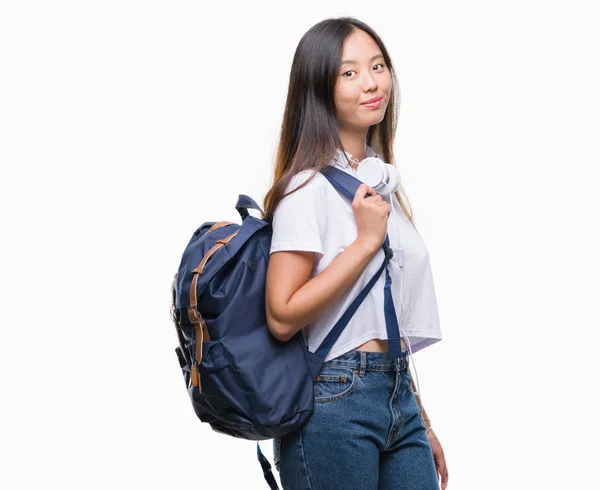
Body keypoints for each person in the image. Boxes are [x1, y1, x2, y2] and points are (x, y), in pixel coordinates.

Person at [263, 17, 449, 490]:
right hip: (333, 399)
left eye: (378, 66)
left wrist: (418, 416)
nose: (371, 82)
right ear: (318, 87)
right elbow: (282, 316)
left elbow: (385, 316)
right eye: (349, 72)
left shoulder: (381, 185)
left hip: (396, 392)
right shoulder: (306, 189)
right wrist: (365, 242)